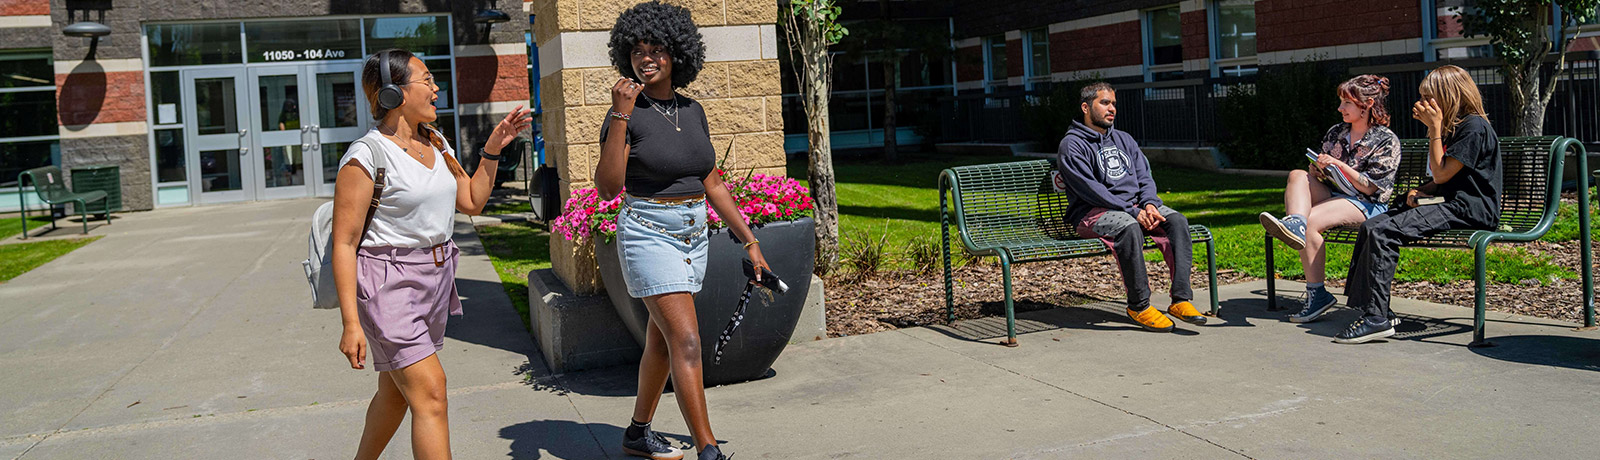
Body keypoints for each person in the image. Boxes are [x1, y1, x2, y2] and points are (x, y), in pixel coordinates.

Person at [331, 48, 533, 459]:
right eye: (427, 80)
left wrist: (493, 148)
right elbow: (344, 242)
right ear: (394, 94)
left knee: (396, 395)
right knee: (431, 394)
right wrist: (351, 323)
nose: (437, 88)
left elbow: (472, 201)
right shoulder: (366, 156)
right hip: (388, 284)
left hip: (436, 280)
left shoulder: (436, 142)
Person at [596, 3, 769, 460]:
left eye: (656, 49)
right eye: (637, 50)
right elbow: (608, 187)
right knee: (686, 341)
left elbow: (711, 181)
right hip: (648, 232)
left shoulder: (692, 111)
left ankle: (637, 432)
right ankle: (708, 451)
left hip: (693, 235)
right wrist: (619, 116)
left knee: (661, 339)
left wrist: (750, 242)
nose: (645, 58)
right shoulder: (625, 115)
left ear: (678, 54)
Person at [1335, 65, 1501, 344]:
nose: (1422, 104)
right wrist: (1420, 191)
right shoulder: (1454, 128)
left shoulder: (1473, 127)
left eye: (1428, 97)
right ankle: (1375, 309)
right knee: (1373, 225)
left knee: (1385, 233)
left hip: (1470, 210)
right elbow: (1440, 179)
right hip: (1449, 203)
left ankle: (1376, 319)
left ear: (1448, 96)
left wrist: (1434, 129)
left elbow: (1442, 173)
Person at [1057, 82, 1206, 333]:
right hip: (1091, 213)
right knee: (1127, 227)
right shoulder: (1072, 145)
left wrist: (1149, 204)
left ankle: (1180, 300)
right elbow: (1091, 190)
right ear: (1085, 107)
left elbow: (1144, 177)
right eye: (1104, 103)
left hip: (1134, 208)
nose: (1111, 108)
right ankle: (1139, 305)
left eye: (1114, 103)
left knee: (1177, 221)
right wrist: (1132, 211)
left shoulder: (1124, 139)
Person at [1258, 75, 1401, 323]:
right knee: (1297, 175)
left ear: (1366, 104)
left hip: (1368, 204)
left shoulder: (1386, 140)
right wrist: (1319, 169)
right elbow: (1324, 175)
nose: (1340, 108)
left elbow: (1371, 188)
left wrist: (1338, 165)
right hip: (1335, 193)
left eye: (1346, 102)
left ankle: (1317, 294)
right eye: (1341, 102)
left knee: (1313, 222)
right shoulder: (1337, 132)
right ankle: (1295, 223)